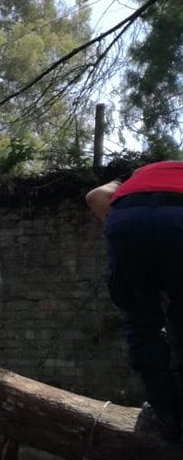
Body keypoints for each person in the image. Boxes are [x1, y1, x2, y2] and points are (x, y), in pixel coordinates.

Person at [87, 160, 183, 441]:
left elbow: (94, 197)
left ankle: (164, 415)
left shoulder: (134, 177)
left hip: (127, 218)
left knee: (142, 322)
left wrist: (133, 237)